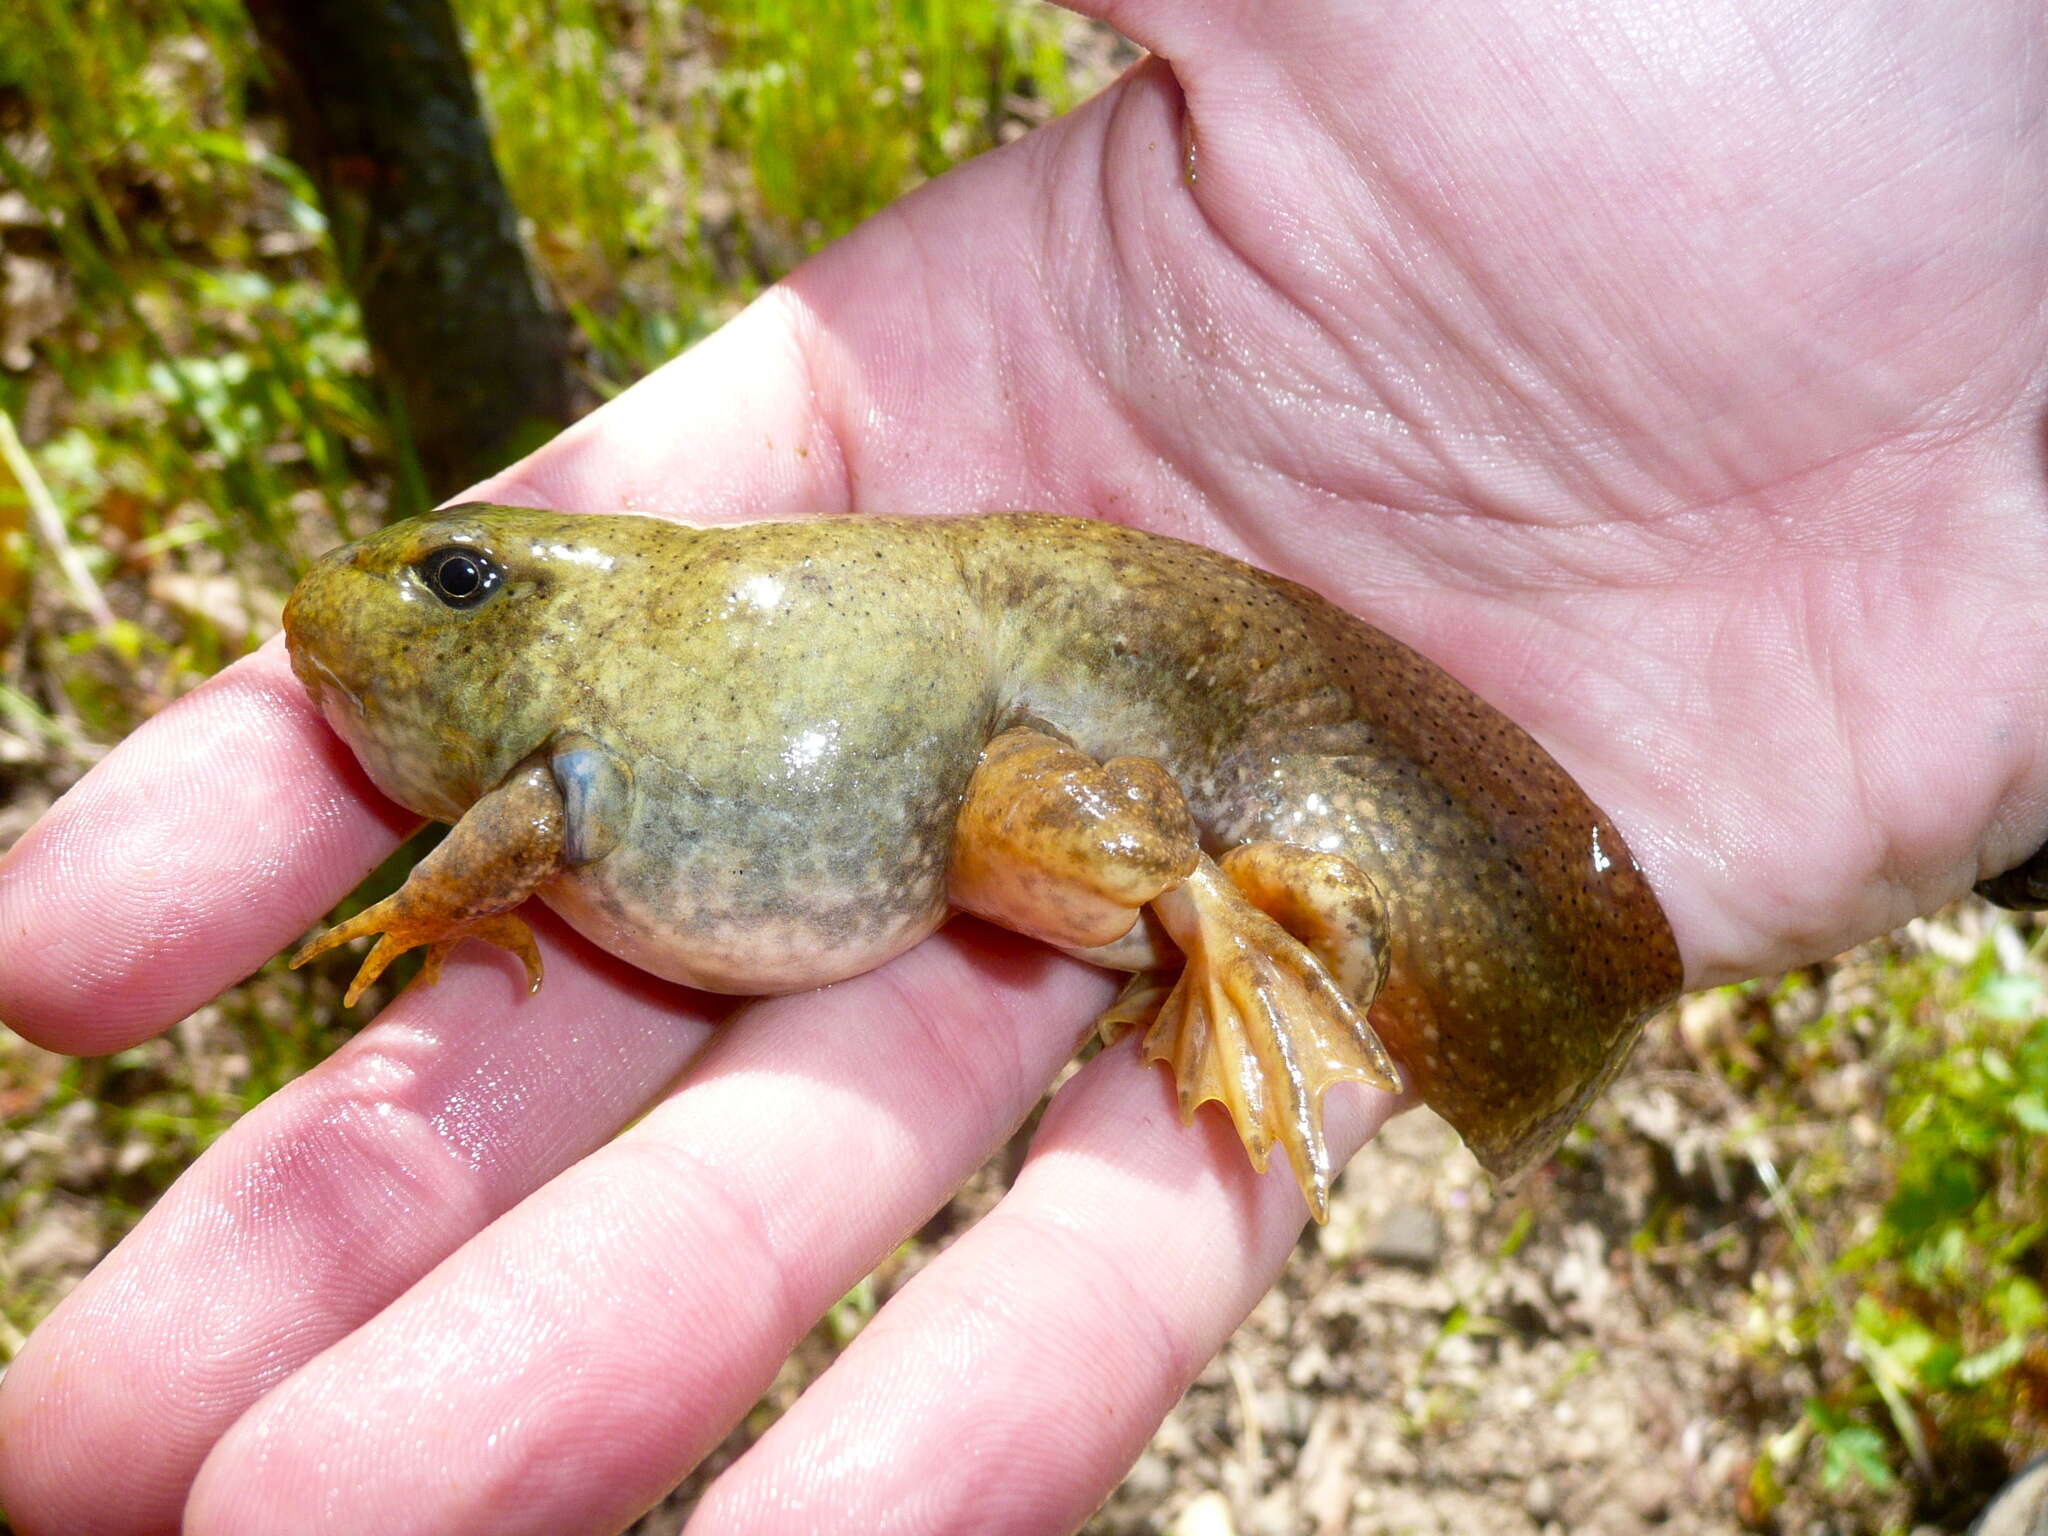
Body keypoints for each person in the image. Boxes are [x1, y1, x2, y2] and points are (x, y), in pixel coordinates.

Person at [2, 1, 2044, 1530]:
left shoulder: (550, 746)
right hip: (954, 723)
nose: (401, 605)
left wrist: (426, 902)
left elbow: (510, 838)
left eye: (455, 579)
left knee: (1028, 824)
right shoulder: (572, 694)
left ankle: (1218, 918)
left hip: (984, 739)